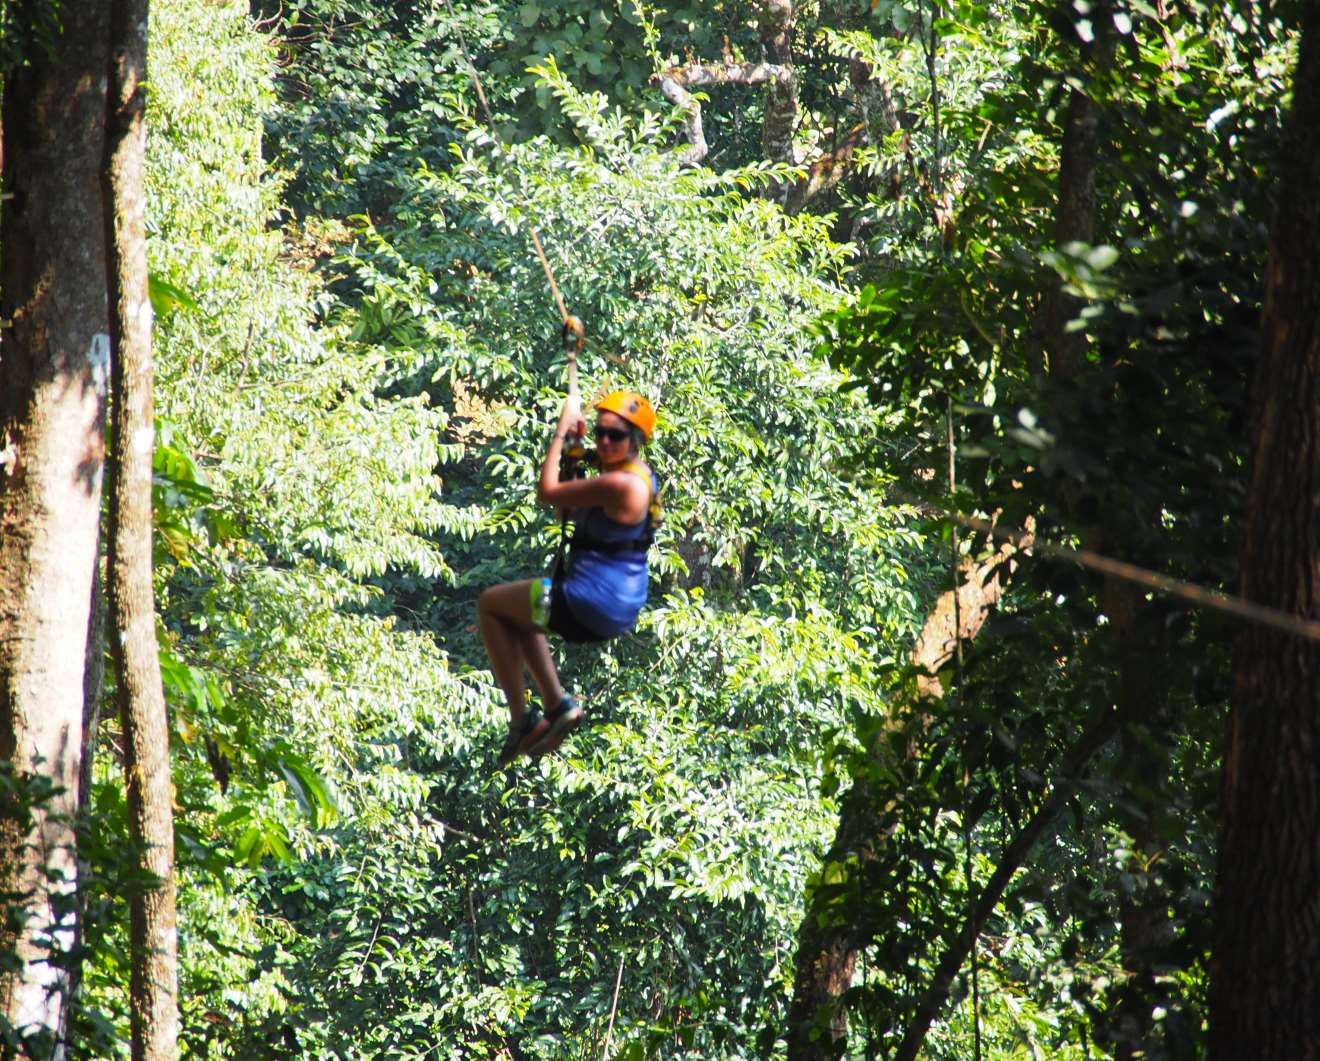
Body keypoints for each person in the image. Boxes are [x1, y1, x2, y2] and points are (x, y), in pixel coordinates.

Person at [478, 390, 659, 765]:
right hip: (613, 604)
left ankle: (522, 718)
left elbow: (547, 494)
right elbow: (567, 511)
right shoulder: (632, 476)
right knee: (520, 616)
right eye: (600, 432)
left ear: (636, 441)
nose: (604, 442)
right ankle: (556, 704)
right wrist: (574, 457)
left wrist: (561, 433)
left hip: (591, 601)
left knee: (491, 605)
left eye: (615, 436)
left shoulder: (623, 485)